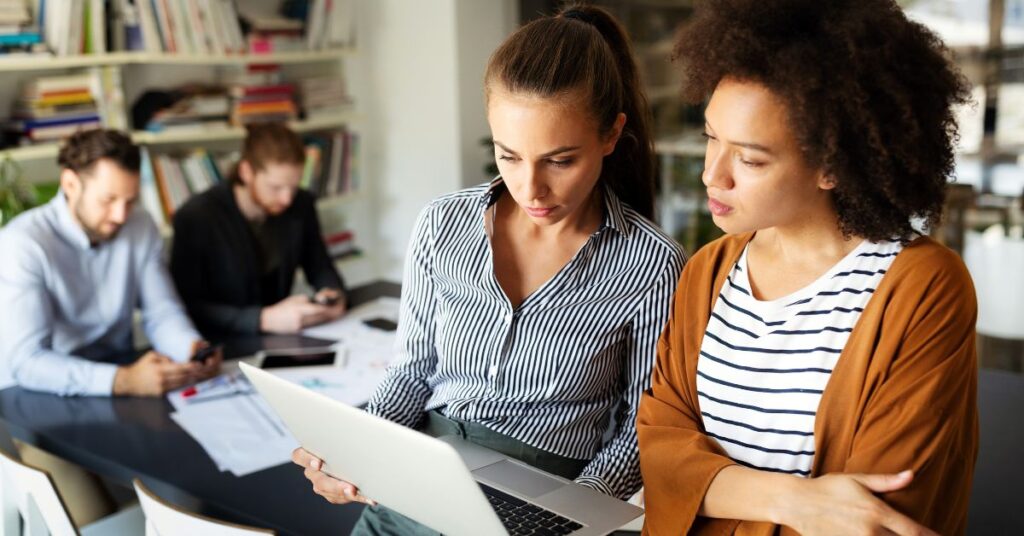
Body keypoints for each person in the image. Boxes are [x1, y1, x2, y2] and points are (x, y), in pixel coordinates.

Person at [292, 5, 686, 534]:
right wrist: (357, 449)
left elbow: (641, 427)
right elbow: (411, 373)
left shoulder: (652, 263)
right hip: (416, 478)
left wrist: (574, 512)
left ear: (611, 136)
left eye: (560, 160)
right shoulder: (442, 225)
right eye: (509, 155)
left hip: (547, 499)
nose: (531, 189)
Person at [636, 1, 977, 534]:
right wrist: (791, 501)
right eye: (710, 137)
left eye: (750, 159)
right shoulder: (709, 272)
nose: (712, 175)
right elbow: (660, 451)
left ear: (832, 166)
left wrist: (713, 492)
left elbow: (872, 519)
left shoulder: (921, 288)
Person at [0, 128, 221, 525]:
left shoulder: (140, 225)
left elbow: (161, 312)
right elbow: (27, 362)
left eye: (130, 200)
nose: (120, 215)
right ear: (70, 183)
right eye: (108, 200)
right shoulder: (21, 244)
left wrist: (190, 346)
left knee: (187, 494)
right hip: (37, 407)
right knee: (98, 519)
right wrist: (125, 381)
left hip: (117, 397)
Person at [170, 122, 347, 338]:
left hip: (280, 338)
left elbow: (320, 266)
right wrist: (263, 319)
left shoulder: (301, 204)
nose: (287, 199)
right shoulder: (197, 216)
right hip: (222, 341)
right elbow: (186, 306)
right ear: (246, 172)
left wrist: (331, 293)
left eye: (294, 186)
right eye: (275, 187)